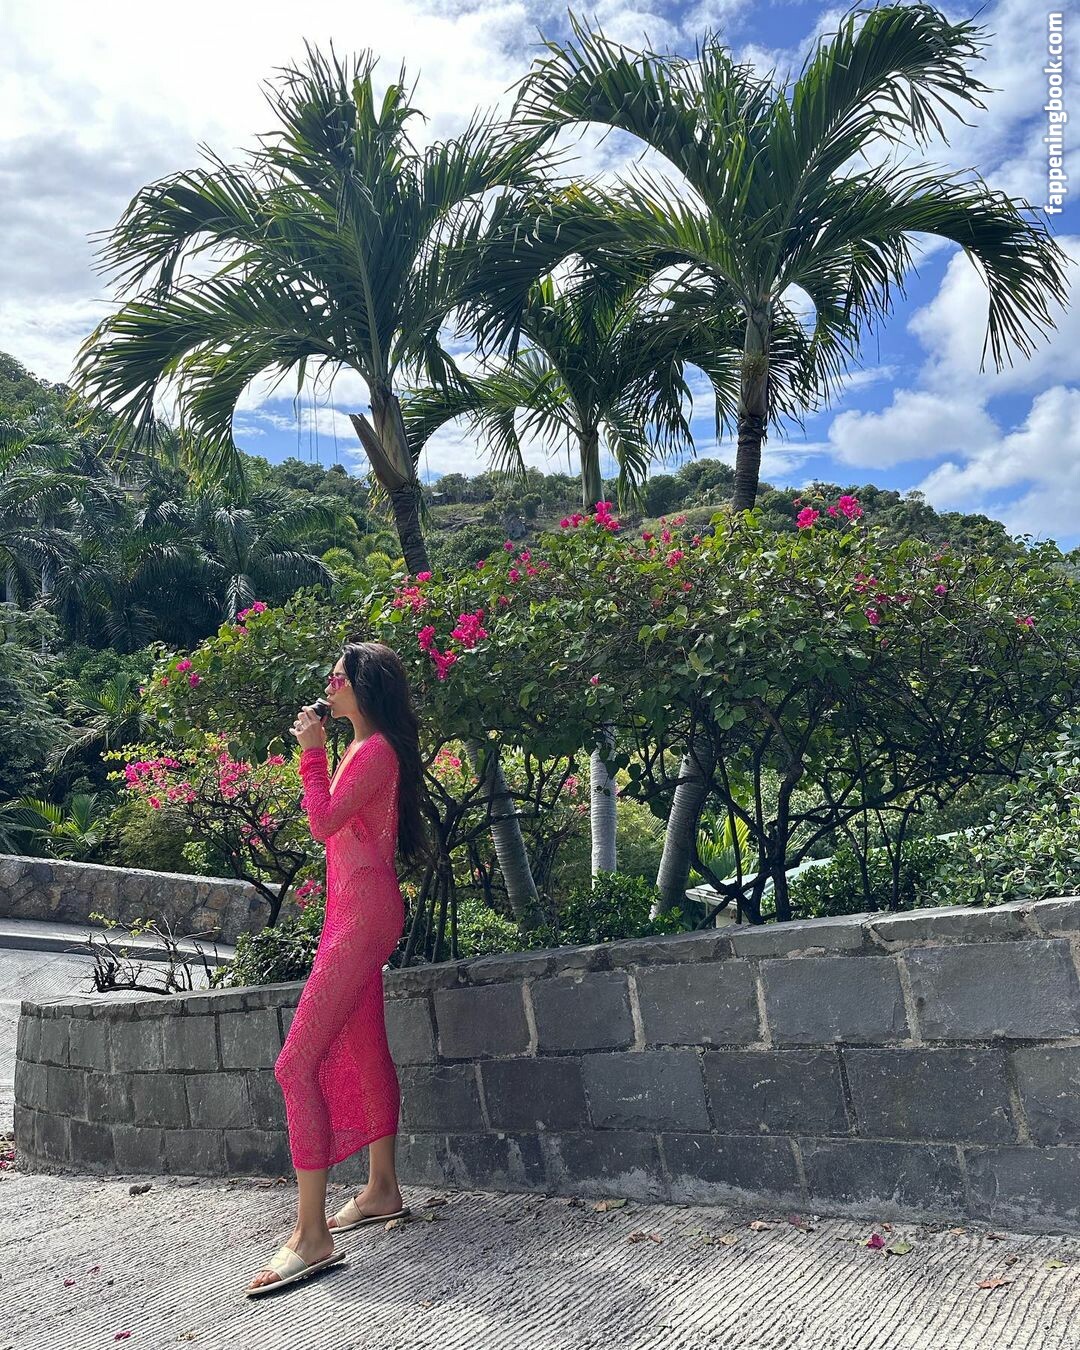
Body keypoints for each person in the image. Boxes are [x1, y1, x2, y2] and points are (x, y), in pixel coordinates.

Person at [247, 640, 430, 1296]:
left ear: (363, 686)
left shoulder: (373, 752)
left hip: (361, 918)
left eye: (338, 676)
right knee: (366, 1045)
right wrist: (323, 750)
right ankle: (381, 1188)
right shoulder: (365, 748)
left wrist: (310, 751)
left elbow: (324, 821)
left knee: (293, 1065)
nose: (329, 685)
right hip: (354, 912)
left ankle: (311, 1236)